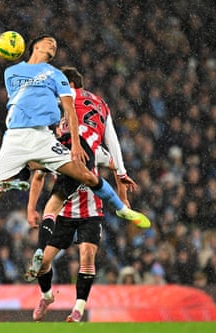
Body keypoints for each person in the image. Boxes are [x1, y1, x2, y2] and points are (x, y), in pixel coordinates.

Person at [0, 35, 150, 279]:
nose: (53, 44)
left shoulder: (57, 76)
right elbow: (24, 99)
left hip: (45, 137)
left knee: (85, 174)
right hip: (15, 138)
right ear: (34, 46)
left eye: (56, 43)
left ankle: (122, 209)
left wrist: (76, 144)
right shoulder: (11, 72)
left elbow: (70, 110)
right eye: (48, 41)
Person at [24, 66, 139, 282]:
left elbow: (39, 175)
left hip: (74, 160)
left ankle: (40, 252)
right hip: (90, 152)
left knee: (39, 174)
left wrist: (31, 209)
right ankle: (121, 207)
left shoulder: (64, 102)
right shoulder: (101, 104)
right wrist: (123, 193)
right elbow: (114, 149)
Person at [30, 145, 132, 322]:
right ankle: (46, 297)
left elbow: (118, 167)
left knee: (87, 255)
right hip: (63, 214)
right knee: (43, 262)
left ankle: (78, 309)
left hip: (90, 214)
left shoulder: (94, 150)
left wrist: (122, 197)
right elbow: (38, 176)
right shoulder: (53, 151)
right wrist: (31, 208)